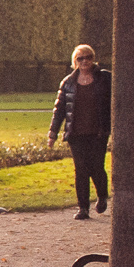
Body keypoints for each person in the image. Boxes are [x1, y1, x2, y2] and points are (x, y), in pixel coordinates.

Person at [48, 44, 112, 220]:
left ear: (93, 59)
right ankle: (83, 208)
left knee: (96, 167)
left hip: (98, 132)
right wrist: (53, 132)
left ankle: (102, 195)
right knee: (81, 170)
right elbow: (59, 109)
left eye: (88, 57)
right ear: (74, 62)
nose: (84, 61)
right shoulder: (68, 82)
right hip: (76, 133)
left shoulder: (105, 78)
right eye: (80, 58)